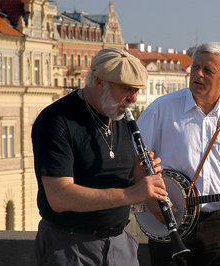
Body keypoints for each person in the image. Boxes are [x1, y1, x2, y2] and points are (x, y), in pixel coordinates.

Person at [32, 47, 168, 266]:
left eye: (137, 90)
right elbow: (59, 196)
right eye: (127, 89)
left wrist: (139, 176)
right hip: (70, 247)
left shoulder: (119, 117)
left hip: (119, 245)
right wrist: (131, 193)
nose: (133, 99)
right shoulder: (56, 120)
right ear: (99, 81)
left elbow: (118, 177)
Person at [137, 42, 220, 266]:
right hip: (170, 220)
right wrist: (151, 201)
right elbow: (136, 163)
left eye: (208, 70)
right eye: (195, 67)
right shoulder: (160, 109)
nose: (197, 74)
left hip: (218, 224)